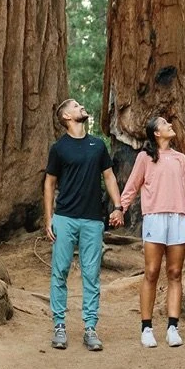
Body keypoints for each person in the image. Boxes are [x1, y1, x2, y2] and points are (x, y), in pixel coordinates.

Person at [43, 97, 124, 351]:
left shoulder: (97, 145)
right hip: (65, 218)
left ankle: (90, 328)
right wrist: (49, 217)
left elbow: (109, 177)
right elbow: (49, 183)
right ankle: (59, 326)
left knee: (91, 275)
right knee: (60, 272)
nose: (81, 107)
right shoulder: (59, 148)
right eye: (76, 106)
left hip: (92, 220)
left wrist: (118, 206)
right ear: (66, 117)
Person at [119, 115, 185, 348]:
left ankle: (173, 328)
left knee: (175, 272)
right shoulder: (145, 158)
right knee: (151, 271)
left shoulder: (180, 159)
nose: (170, 125)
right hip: (154, 218)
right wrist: (120, 208)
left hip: (178, 218)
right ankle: (146, 328)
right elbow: (132, 186)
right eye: (164, 124)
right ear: (156, 133)